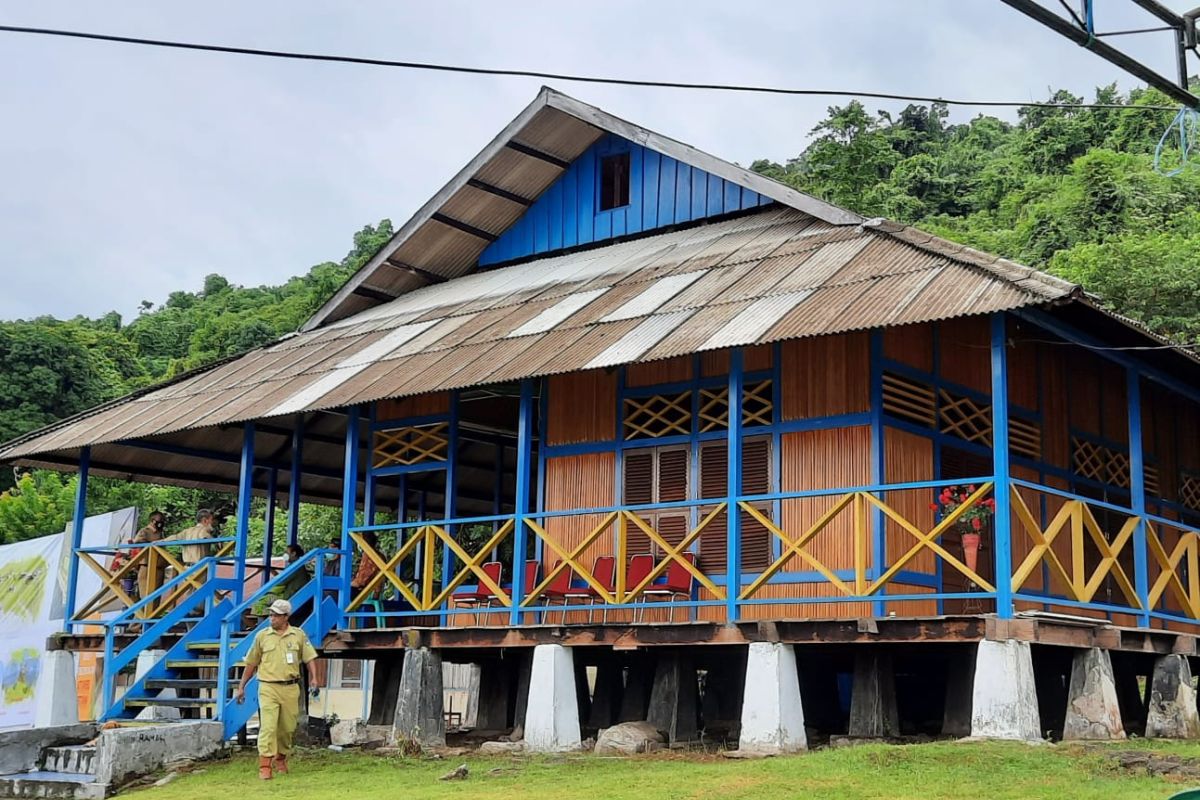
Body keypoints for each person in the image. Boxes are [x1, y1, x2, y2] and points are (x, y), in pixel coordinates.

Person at [236, 598, 320, 780]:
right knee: (268, 726)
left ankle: (280, 758)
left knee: (287, 728)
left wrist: (314, 678)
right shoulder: (262, 636)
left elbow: (309, 657)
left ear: (286, 617)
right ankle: (265, 766)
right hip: (268, 686)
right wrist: (241, 687)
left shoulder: (298, 635)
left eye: (275, 615)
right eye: (271, 615)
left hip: (290, 688)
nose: (271, 618)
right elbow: (251, 663)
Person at [252, 545, 312, 618]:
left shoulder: (296, 567)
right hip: (291, 594)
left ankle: (276, 615)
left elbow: (281, 581)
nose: (285, 554)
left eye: (287, 552)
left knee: (258, 603)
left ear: (293, 553)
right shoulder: (296, 566)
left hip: (289, 596)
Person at [131, 511, 166, 597]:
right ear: (152, 520)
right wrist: (152, 544)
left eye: (163, 520)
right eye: (160, 520)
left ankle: (156, 610)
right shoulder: (144, 531)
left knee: (157, 596)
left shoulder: (161, 533)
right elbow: (137, 543)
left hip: (159, 567)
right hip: (147, 566)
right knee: (145, 595)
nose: (161, 522)